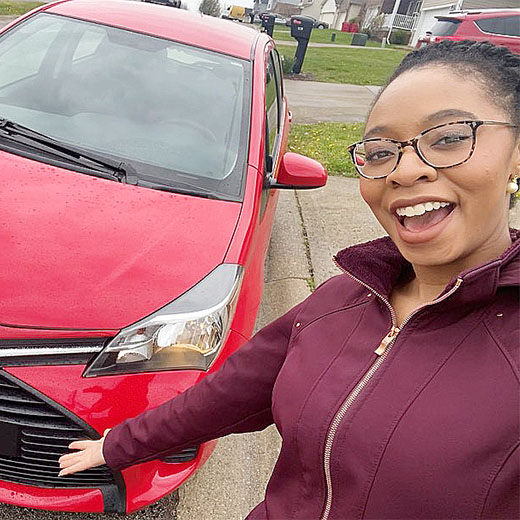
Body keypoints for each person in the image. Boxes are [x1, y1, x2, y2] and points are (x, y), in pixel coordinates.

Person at [59, 40, 520, 519]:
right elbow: (229, 395)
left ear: (514, 156)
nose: (404, 171)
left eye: (448, 138)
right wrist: (119, 444)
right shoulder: (341, 300)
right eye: (381, 151)